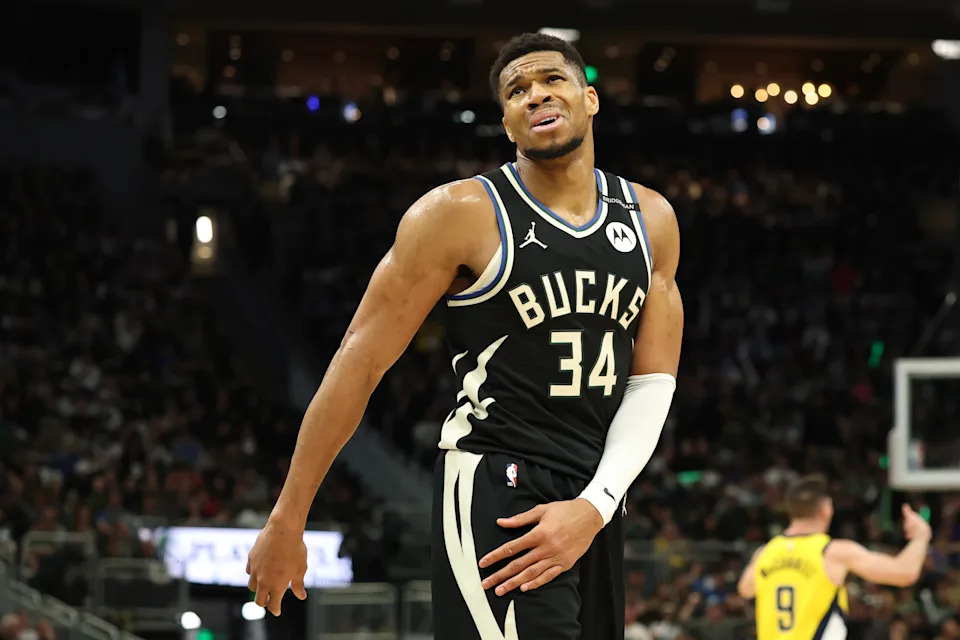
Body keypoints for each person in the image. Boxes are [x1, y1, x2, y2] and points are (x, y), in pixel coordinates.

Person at [246, 32, 683, 639]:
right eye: (516, 91)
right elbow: (359, 361)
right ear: (506, 124)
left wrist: (597, 503)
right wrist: (288, 516)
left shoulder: (651, 220)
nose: (535, 95)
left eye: (551, 80)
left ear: (589, 98)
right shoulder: (456, 215)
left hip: (597, 498)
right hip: (498, 485)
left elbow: (653, 382)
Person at [737, 474, 932, 640]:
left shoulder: (765, 552)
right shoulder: (832, 552)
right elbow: (905, 572)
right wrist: (920, 537)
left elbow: (745, 589)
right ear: (826, 510)